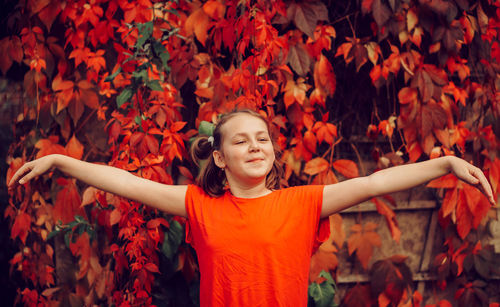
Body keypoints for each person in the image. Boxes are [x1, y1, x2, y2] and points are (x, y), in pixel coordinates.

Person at [8, 109, 495, 307]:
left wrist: (445, 163)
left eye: (262, 138)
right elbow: (126, 182)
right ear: (219, 157)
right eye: (241, 141)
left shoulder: (303, 203)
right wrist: (60, 160)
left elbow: (374, 181)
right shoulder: (198, 205)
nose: (256, 146)